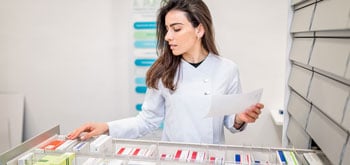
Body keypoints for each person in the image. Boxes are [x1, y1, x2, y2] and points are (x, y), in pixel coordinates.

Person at [67, 0, 264, 144]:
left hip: (210, 158)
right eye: (167, 29)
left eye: (176, 29)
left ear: (199, 30)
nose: (168, 36)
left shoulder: (227, 69)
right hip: (172, 159)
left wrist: (240, 118)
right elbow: (146, 121)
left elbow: (230, 121)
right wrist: (107, 127)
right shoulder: (163, 71)